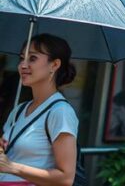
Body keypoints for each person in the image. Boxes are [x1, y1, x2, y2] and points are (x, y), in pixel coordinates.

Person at [0, 34, 79, 185]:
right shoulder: (19, 109)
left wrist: (12, 167)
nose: (23, 65)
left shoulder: (60, 112)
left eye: (32, 58)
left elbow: (66, 179)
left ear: (54, 65)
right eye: (21, 58)